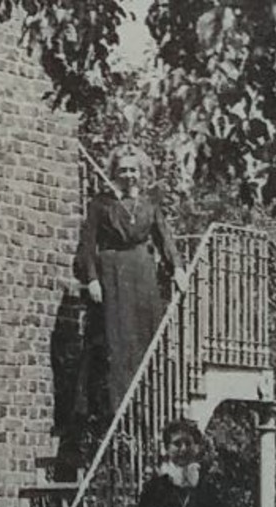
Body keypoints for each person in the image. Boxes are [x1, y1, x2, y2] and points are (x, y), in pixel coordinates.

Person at [74, 145, 186, 419]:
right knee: (116, 343)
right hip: (112, 278)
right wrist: (91, 279)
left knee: (145, 340)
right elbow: (87, 244)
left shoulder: (150, 205)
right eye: (123, 170)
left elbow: (165, 239)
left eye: (133, 170)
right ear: (114, 172)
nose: (128, 175)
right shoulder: (101, 205)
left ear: (142, 173)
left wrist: (178, 269)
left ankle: (148, 409)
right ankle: (117, 411)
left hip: (142, 277)